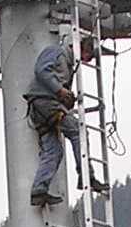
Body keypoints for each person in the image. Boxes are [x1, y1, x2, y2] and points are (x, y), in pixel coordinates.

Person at [24, 34, 103, 206]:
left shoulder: (68, 65)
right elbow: (41, 70)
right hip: (44, 102)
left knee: (54, 150)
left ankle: (39, 189)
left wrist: (65, 97)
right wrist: (60, 90)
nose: (86, 60)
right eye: (87, 55)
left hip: (43, 107)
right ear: (81, 47)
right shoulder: (56, 52)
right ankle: (86, 175)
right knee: (77, 130)